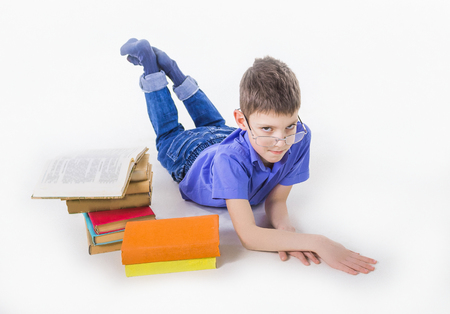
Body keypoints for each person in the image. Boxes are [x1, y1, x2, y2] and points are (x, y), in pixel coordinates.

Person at [120, 38, 377, 275]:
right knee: (169, 134)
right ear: (243, 121)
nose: (281, 142)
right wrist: (318, 241)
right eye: (268, 128)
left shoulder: (299, 136)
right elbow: (249, 236)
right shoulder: (229, 160)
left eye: (289, 126)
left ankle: (173, 69)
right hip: (191, 156)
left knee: (213, 123)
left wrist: (285, 231)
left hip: (228, 138)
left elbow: (276, 202)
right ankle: (153, 69)